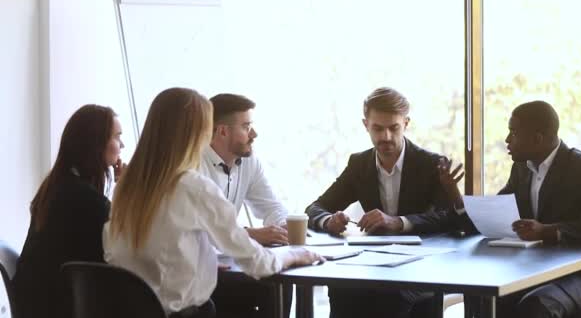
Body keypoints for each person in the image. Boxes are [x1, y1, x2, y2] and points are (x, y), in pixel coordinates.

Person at [103, 87, 322, 318]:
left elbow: (118, 254)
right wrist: (296, 254)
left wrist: (199, 263)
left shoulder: (126, 188)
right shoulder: (193, 186)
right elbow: (258, 264)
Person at [441, 100, 581, 317]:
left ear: (537, 138)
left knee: (535, 306)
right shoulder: (521, 169)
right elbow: (492, 214)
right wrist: (455, 194)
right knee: (483, 296)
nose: (507, 140)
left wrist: (548, 230)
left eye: (513, 133)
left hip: (580, 277)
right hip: (531, 270)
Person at [305, 87, 462, 318]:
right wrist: (329, 221)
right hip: (373, 264)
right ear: (365, 125)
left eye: (393, 128)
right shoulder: (359, 164)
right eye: (378, 128)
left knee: (388, 295)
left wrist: (398, 222)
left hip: (422, 267)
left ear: (406, 124)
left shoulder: (431, 164)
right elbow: (314, 208)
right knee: (340, 287)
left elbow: (448, 218)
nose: (386, 136)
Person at [13, 104, 125, 318]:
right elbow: (119, 246)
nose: (122, 145)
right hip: (60, 306)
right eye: (117, 137)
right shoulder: (84, 198)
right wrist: (127, 189)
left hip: (35, 303)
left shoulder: (58, 185)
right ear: (96, 143)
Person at [199, 93, 292, 318]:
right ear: (222, 131)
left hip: (229, 262)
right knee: (271, 281)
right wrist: (251, 235)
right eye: (246, 127)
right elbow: (201, 232)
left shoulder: (249, 161)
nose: (254, 134)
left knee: (280, 282)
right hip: (202, 272)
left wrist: (282, 227)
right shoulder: (194, 165)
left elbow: (272, 207)